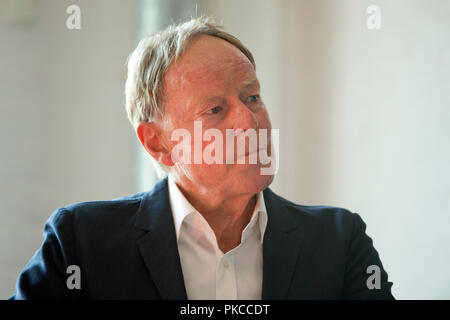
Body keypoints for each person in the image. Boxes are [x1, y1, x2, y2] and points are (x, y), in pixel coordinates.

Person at [10, 17, 394, 300]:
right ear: (157, 143)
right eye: (215, 109)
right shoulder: (81, 244)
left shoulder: (339, 242)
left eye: (252, 97)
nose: (250, 122)